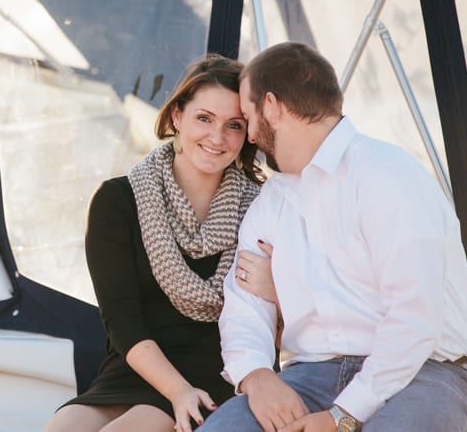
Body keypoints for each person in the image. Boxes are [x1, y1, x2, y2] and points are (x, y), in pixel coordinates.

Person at [199, 41, 467, 432]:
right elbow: (245, 304)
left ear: (271, 106)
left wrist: (344, 415)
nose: (251, 136)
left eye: (247, 115)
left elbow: (415, 317)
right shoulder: (271, 201)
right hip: (311, 377)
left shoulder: (388, 177)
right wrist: (257, 376)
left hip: (421, 372)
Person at [45, 53, 272, 432]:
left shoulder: (261, 208)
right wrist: (177, 390)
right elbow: (121, 319)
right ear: (177, 116)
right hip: (137, 367)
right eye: (204, 118)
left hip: (219, 370)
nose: (217, 138)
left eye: (233, 125)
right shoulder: (119, 200)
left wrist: (277, 285)